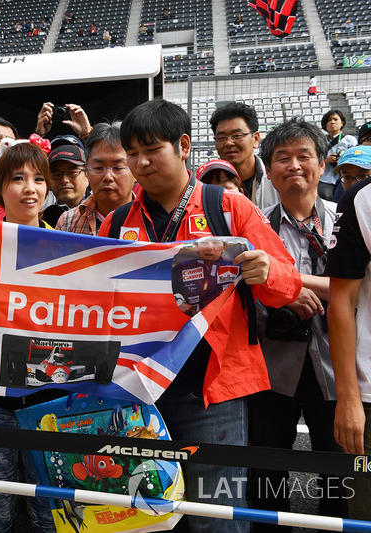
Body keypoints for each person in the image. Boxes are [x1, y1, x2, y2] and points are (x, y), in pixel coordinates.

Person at [99, 99, 300, 533]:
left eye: (151, 149)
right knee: (141, 516)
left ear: (184, 145)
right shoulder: (116, 223)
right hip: (137, 394)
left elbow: (289, 284)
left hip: (211, 394)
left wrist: (265, 270)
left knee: (217, 519)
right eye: (132, 153)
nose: (141, 162)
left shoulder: (227, 207)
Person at [249, 118, 345, 529]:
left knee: (337, 467)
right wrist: (281, 295)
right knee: (267, 467)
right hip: (272, 368)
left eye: (304, 156)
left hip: (339, 366)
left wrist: (287, 281)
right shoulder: (256, 226)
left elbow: (356, 288)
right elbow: (244, 287)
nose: (294, 166)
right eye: (282, 158)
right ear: (268, 170)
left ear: (322, 164)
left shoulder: (348, 221)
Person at [0, 141, 58, 532]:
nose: (29, 188)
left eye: (38, 179)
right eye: (18, 178)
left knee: (50, 510)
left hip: (52, 402)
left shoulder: (70, 247)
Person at [325, 150, 371, 523]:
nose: (350, 180)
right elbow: (341, 302)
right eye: (345, 174)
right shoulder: (360, 200)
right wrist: (350, 398)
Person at [56, 122, 135, 235]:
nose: (108, 177)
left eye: (117, 167)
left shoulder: (153, 221)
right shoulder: (68, 223)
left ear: (135, 170)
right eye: (98, 168)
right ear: (87, 172)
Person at [210, 102, 279, 208]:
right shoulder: (207, 185)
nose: (229, 143)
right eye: (221, 138)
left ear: (255, 139)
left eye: (237, 135)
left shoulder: (276, 180)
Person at [172, 239, 235, 316]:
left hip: (225, 320)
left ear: (224, 247)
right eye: (203, 242)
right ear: (196, 246)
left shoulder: (235, 268)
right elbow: (166, 289)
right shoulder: (182, 267)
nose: (209, 248)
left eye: (215, 242)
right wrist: (179, 302)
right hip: (192, 321)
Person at [42, 143, 88, 226]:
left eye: (72, 173)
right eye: (56, 174)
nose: (64, 180)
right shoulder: (44, 217)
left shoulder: (102, 212)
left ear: (88, 176)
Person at [319, 110, 358, 203]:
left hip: (344, 178)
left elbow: (355, 159)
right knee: (324, 198)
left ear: (342, 123)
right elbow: (314, 158)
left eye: (335, 119)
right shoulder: (320, 141)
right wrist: (325, 160)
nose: (332, 122)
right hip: (325, 179)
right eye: (329, 120)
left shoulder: (350, 140)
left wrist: (342, 160)